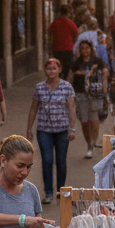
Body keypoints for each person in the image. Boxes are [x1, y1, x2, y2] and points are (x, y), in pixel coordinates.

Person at [26, 58, 76, 205]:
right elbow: (34, 108)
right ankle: (48, 192)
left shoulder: (67, 87)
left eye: (54, 69)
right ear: (45, 70)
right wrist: (29, 128)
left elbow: (71, 109)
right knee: (47, 160)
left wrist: (72, 129)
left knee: (61, 161)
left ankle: (61, 190)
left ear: (59, 70)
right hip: (44, 130)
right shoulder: (39, 88)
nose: (52, 71)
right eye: (49, 69)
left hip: (62, 130)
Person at [68, 40, 108, 159]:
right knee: (84, 122)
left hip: (94, 94)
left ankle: (91, 145)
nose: (85, 51)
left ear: (91, 49)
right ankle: (89, 141)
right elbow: (70, 76)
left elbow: (105, 71)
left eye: (87, 48)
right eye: (83, 49)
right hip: (80, 94)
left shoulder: (97, 61)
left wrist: (104, 84)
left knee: (94, 118)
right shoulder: (77, 63)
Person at [49, 5, 79, 84]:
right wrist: (72, 42)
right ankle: (65, 81)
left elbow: (50, 33)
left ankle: (58, 80)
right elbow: (75, 34)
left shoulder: (55, 23)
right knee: (67, 66)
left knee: (58, 65)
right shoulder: (70, 23)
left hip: (56, 48)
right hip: (68, 48)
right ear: (68, 13)